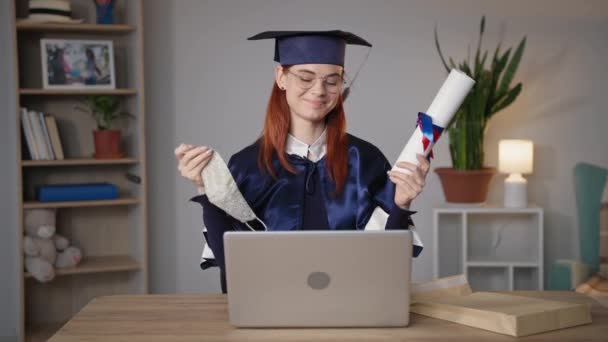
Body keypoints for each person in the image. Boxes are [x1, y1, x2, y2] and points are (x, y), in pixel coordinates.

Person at [175, 30, 430, 293]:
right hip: (271, 308)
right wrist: (205, 189)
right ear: (281, 78)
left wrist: (401, 204)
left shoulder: (366, 160)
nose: (319, 91)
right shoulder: (248, 165)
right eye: (306, 78)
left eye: (332, 81)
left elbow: (386, 265)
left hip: (353, 306)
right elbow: (231, 263)